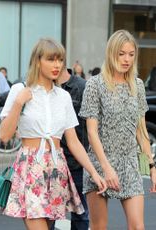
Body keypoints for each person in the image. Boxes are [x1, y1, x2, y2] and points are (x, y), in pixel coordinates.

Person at [0, 38, 107, 230]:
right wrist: (18, 103)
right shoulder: (20, 89)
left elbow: (73, 142)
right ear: (37, 61)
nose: (57, 65)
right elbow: (5, 136)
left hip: (57, 167)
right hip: (30, 166)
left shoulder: (63, 97)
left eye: (60, 60)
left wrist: (94, 172)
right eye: (51, 59)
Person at [79, 29, 156, 230]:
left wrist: (151, 166)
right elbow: (91, 131)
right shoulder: (95, 84)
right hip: (100, 164)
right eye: (121, 54)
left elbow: (141, 131)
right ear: (111, 53)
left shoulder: (137, 85)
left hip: (129, 164)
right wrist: (106, 168)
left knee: (138, 227)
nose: (126, 59)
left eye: (131, 54)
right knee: (99, 227)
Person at [51, 67, 89, 230]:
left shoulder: (81, 86)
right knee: (48, 213)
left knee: (80, 213)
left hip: (76, 161)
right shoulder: (44, 87)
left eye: (57, 59)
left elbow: (91, 125)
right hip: (51, 161)